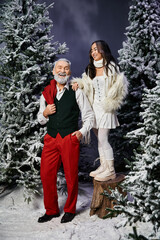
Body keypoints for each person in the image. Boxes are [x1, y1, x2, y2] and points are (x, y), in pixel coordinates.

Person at [37, 58, 94, 223]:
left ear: (70, 72)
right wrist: (46, 113)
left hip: (69, 138)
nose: (63, 71)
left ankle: (70, 209)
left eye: (66, 68)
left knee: (71, 175)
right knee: (46, 174)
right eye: (59, 68)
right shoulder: (46, 93)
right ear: (53, 71)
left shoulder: (77, 91)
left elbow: (89, 116)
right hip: (51, 138)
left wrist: (81, 132)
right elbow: (41, 119)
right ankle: (52, 210)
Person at [71, 40, 128, 182]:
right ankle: (104, 166)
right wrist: (79, 83)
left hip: (106, 108)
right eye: (91, 50)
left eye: (96, 49)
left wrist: (112, 102)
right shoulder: (90, 68)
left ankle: (111, 170)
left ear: (103, 50)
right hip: (94, 107)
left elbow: (119, 88)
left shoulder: (111, 67)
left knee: (103, 138)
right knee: (99, 140)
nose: (93, 52)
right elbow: (86, 84)